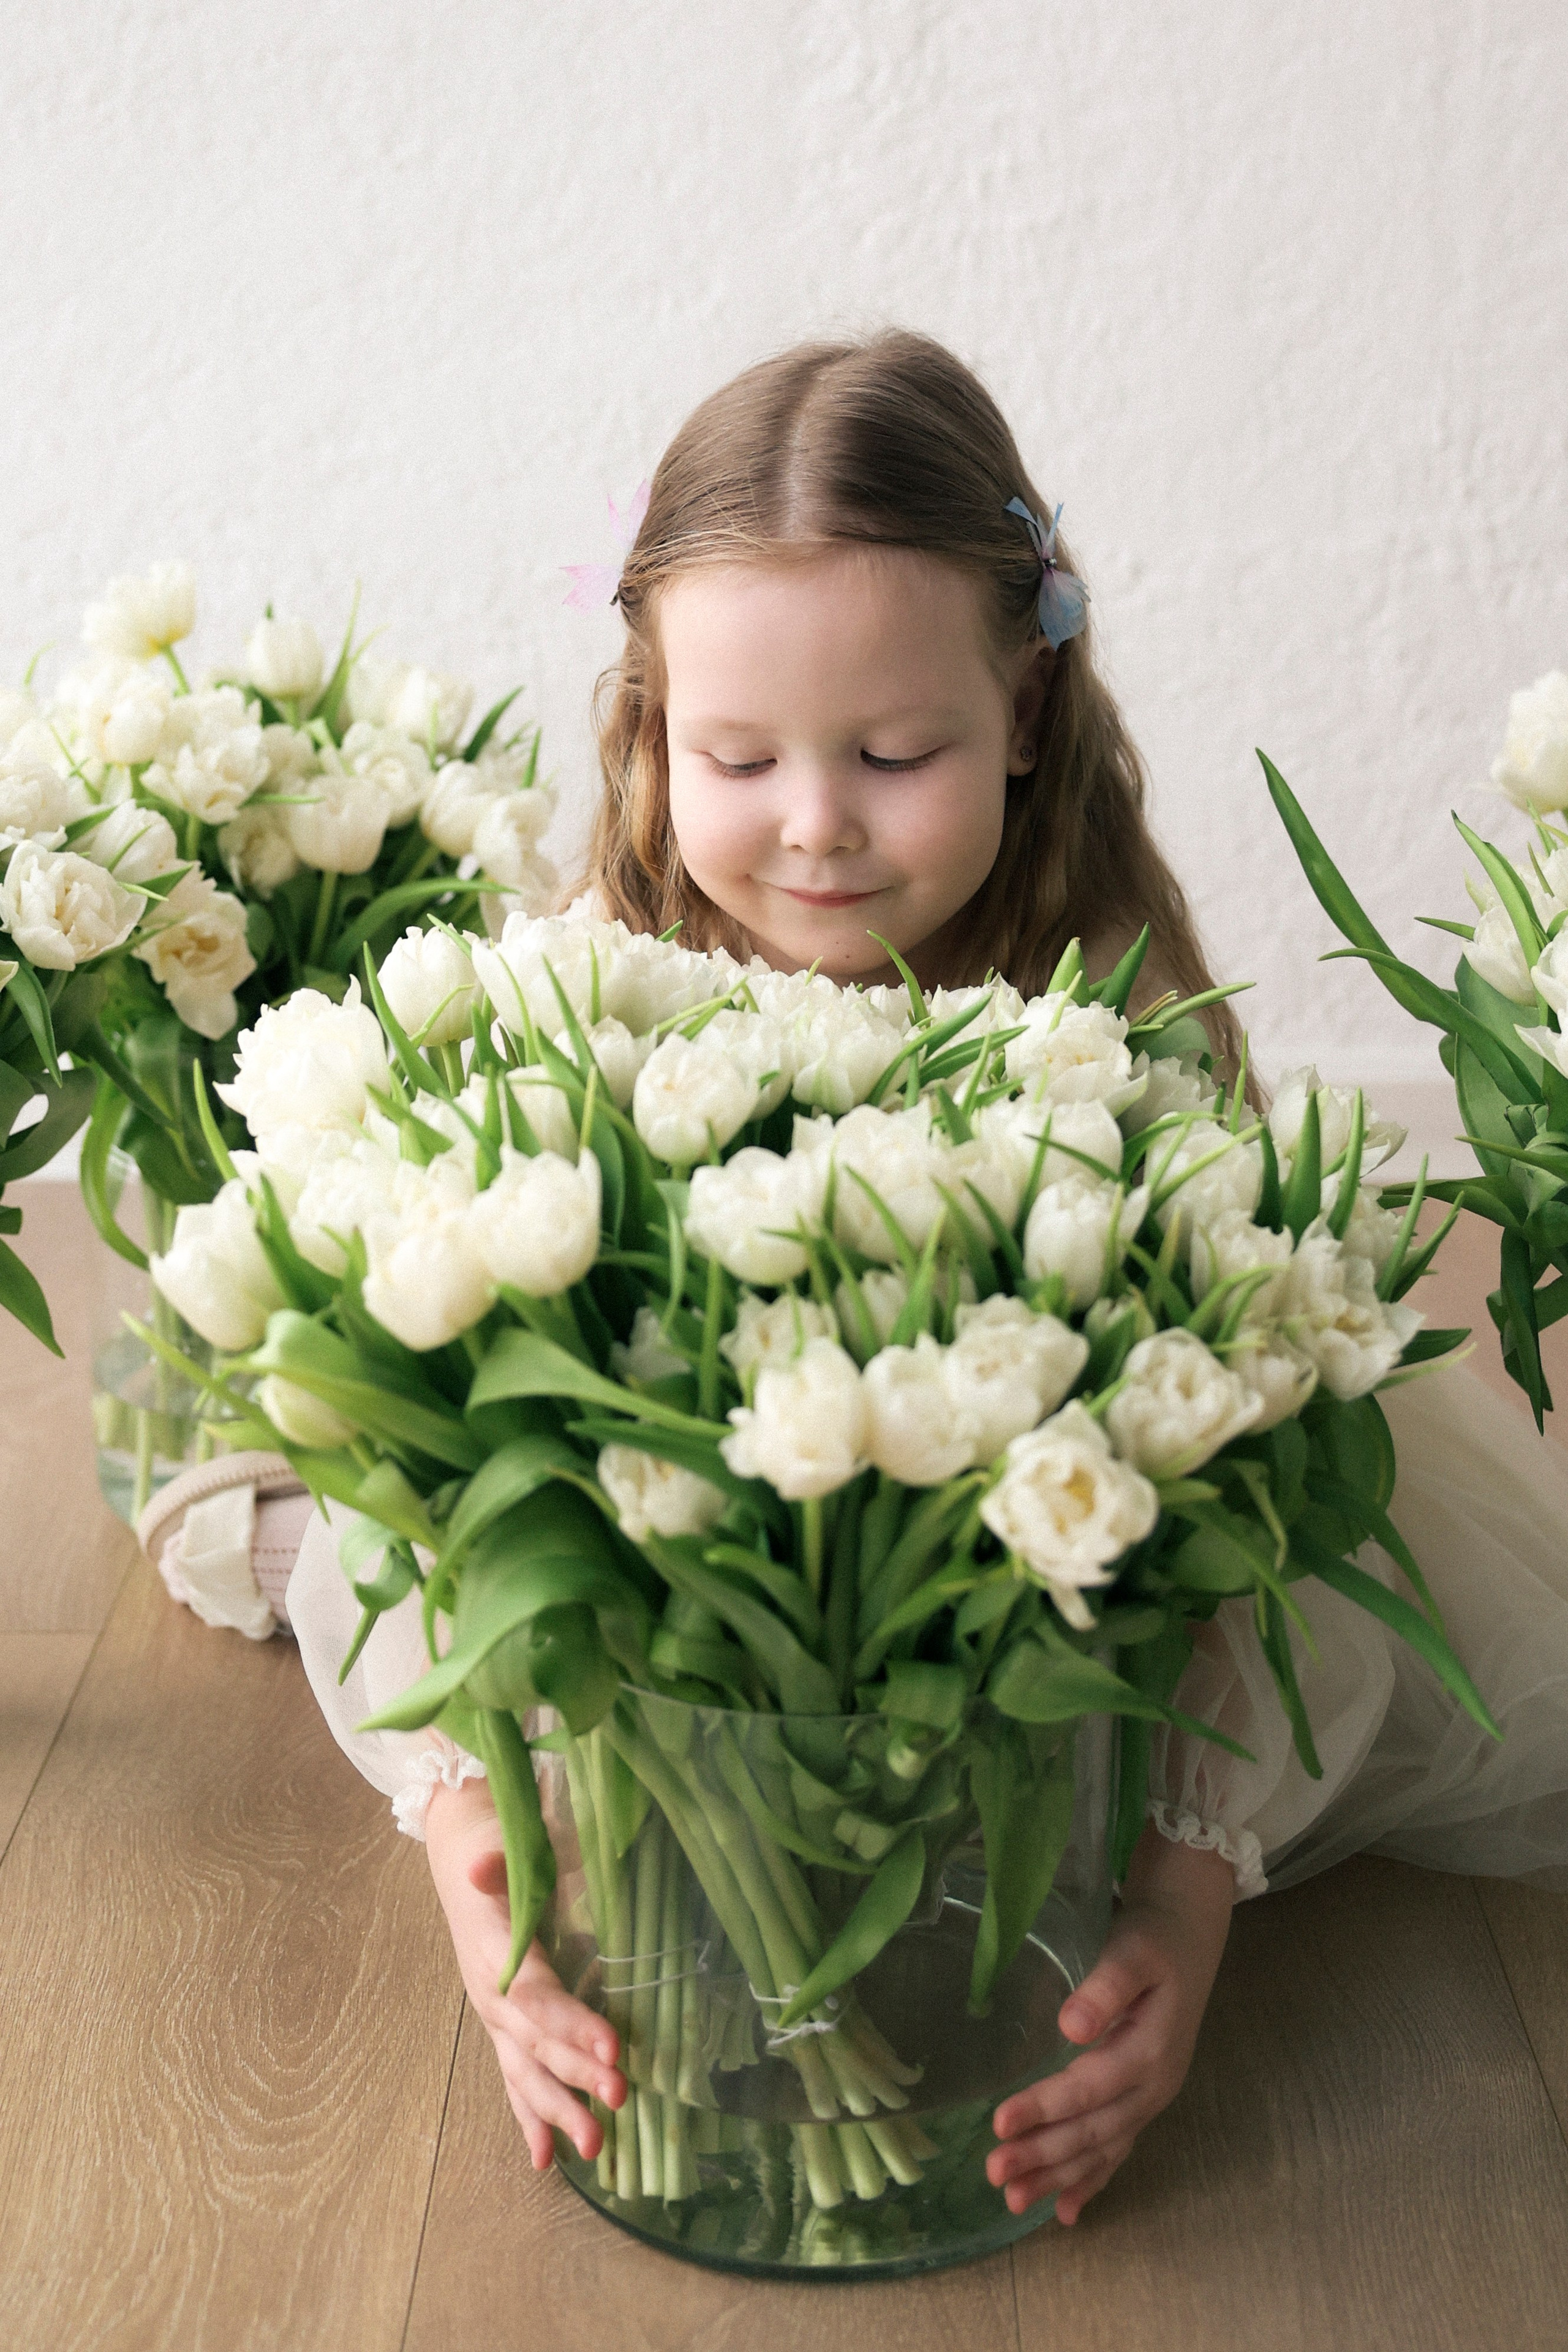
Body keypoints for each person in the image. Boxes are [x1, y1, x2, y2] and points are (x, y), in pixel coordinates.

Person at [145, 330, 1568, 2228]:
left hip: (1030, 1558)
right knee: (391, 1525)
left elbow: (1234, 1483)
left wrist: (1183, 1893)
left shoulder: (1107, 993)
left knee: (1306, 1551)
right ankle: (385, 1690)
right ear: (652, 731)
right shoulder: (604, 972)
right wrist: (480, 1849)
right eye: (738, 757)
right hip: (681, 1545)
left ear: (1030, 715)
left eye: (896, 755)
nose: (814, 821)